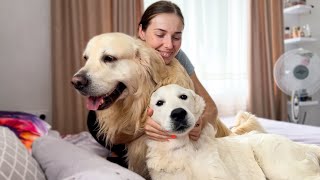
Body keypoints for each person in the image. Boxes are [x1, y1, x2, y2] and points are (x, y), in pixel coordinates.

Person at [87, 0, 221, 168]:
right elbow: (114, 135)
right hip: (122, 131)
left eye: (177, 36)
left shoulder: (178, 58)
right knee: (94, 119)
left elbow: (211, 107)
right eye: (160, 34)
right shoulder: (128, 55)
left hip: (168, 134)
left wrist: (199, 121)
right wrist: (144, 126)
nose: (169, 45)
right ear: (142, 32)